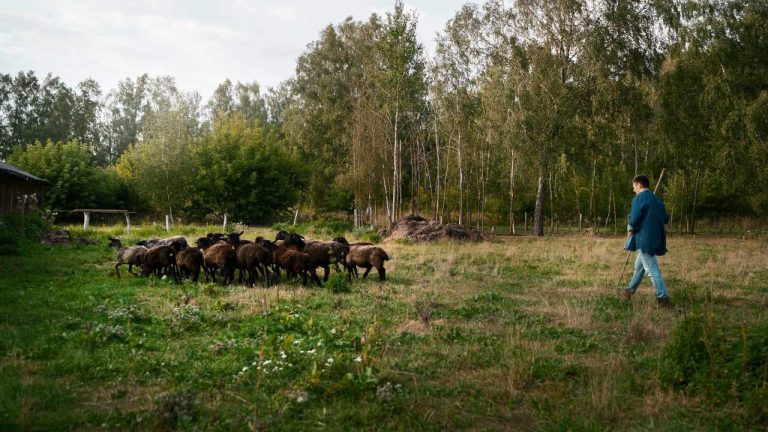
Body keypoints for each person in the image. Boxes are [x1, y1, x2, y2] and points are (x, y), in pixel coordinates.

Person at [621, 174, 671, 306]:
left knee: (652, 269)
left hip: (645, 239)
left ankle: (663, 297)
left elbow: (634, 218)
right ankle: (629, 291)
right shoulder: (657, 200)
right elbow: (666, 218)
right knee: (639, 266)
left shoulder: (638, 199)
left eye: (634, 187)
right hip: (656, 238)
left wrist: (630, 231)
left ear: (639, 185)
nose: (633, 190)